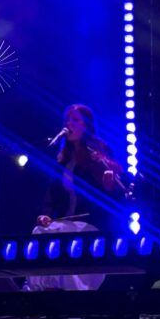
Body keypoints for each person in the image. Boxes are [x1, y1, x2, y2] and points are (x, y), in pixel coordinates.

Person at [26, 103, 126, 291]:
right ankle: (42, 290)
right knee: (40, 231)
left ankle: (74, 292)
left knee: (70, 236)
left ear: (86, 125)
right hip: (65, 221)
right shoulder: (63, 158)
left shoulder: (98, 154)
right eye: (67, 120)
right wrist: (45, 215)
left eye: (75, 120)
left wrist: (108, 184)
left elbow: (114, 194)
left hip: (89, 222)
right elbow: (52, 195)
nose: (69, 124)